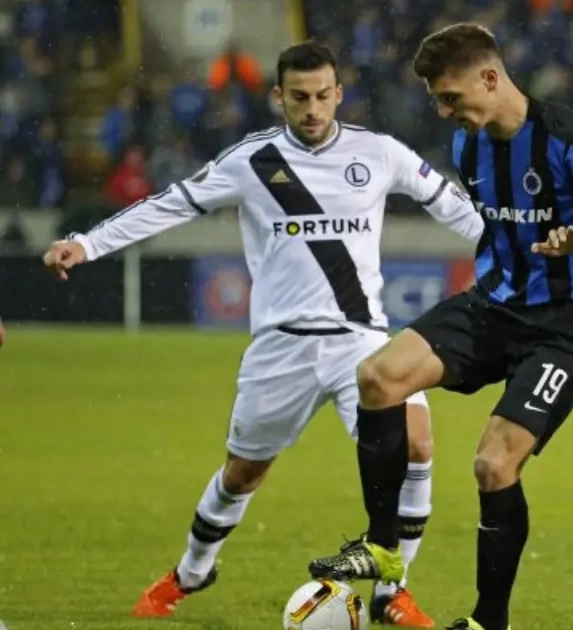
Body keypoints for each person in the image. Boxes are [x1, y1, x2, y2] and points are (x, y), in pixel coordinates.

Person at [40, 42, 482, 627]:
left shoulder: (379, 153)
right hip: (281, 348)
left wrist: (517, 250)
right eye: (299, 97)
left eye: (322, 95)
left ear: (339, 94)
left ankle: (390, 592)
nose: (312, 108)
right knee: (242, 473)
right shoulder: (252, 161)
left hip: (362, 342)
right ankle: (192, 571)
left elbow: (455, 206)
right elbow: (172, 204)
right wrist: (88, 243)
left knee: (418, 446)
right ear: (279, 97)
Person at [305, 22, 573, 630]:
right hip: (492, 307)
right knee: (378, 377)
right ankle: (383, 546)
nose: (446, 112)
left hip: (565, 325)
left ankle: (488, 621)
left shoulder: (572, 140)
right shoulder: (470, 147)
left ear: (491, 78)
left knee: (494, 465)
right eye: (438, 101)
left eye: (451, 97)